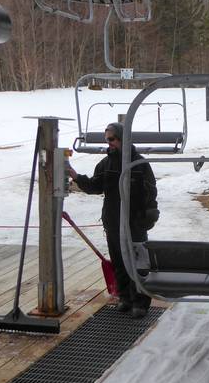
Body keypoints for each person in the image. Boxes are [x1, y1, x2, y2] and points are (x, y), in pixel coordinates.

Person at [68, 122, 159, 319]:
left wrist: (149, 215)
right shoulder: (106, 164)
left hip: (134, 223)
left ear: (122, 139)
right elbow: (95, 186)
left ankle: (140, 301)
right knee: (119, 261)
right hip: (113, 221)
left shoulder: (139, 164)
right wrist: (76, 177)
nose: (109, 143)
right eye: (107, 140)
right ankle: (125, 297)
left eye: (112, 139)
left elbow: (150, 192)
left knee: (137, 263)